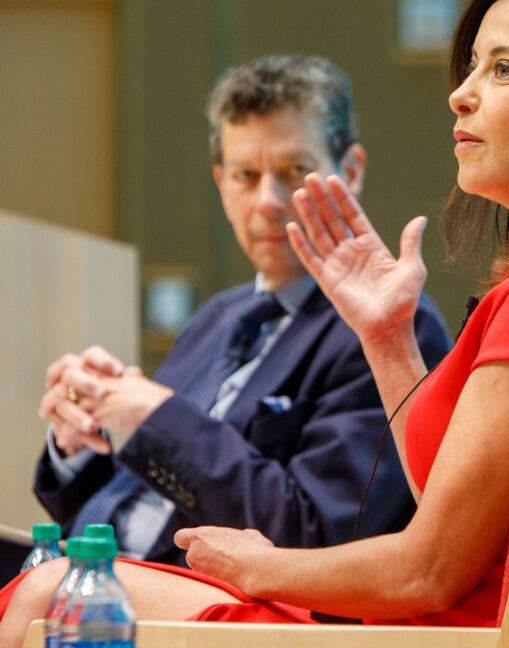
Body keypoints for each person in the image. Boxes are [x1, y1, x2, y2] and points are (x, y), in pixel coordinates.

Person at [0, 0, 509, 644]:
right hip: (449, 633)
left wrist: (258, 565)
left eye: (504, 69)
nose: (461, 93)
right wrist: (388, 338)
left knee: (50, 593)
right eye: (472, 65)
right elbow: (451, 514)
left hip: (437, 642)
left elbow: (428, 570)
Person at [24, 55, 451, 566]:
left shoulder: (393, 329)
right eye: (246, 175)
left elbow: (316, 535)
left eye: (296, 170)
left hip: (214, 601)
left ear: (352, 171)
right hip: (107, 574)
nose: (268, 200)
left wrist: (156, 415)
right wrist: (78, 442)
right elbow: (143, 509)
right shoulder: (218, 317)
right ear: (221, 183)